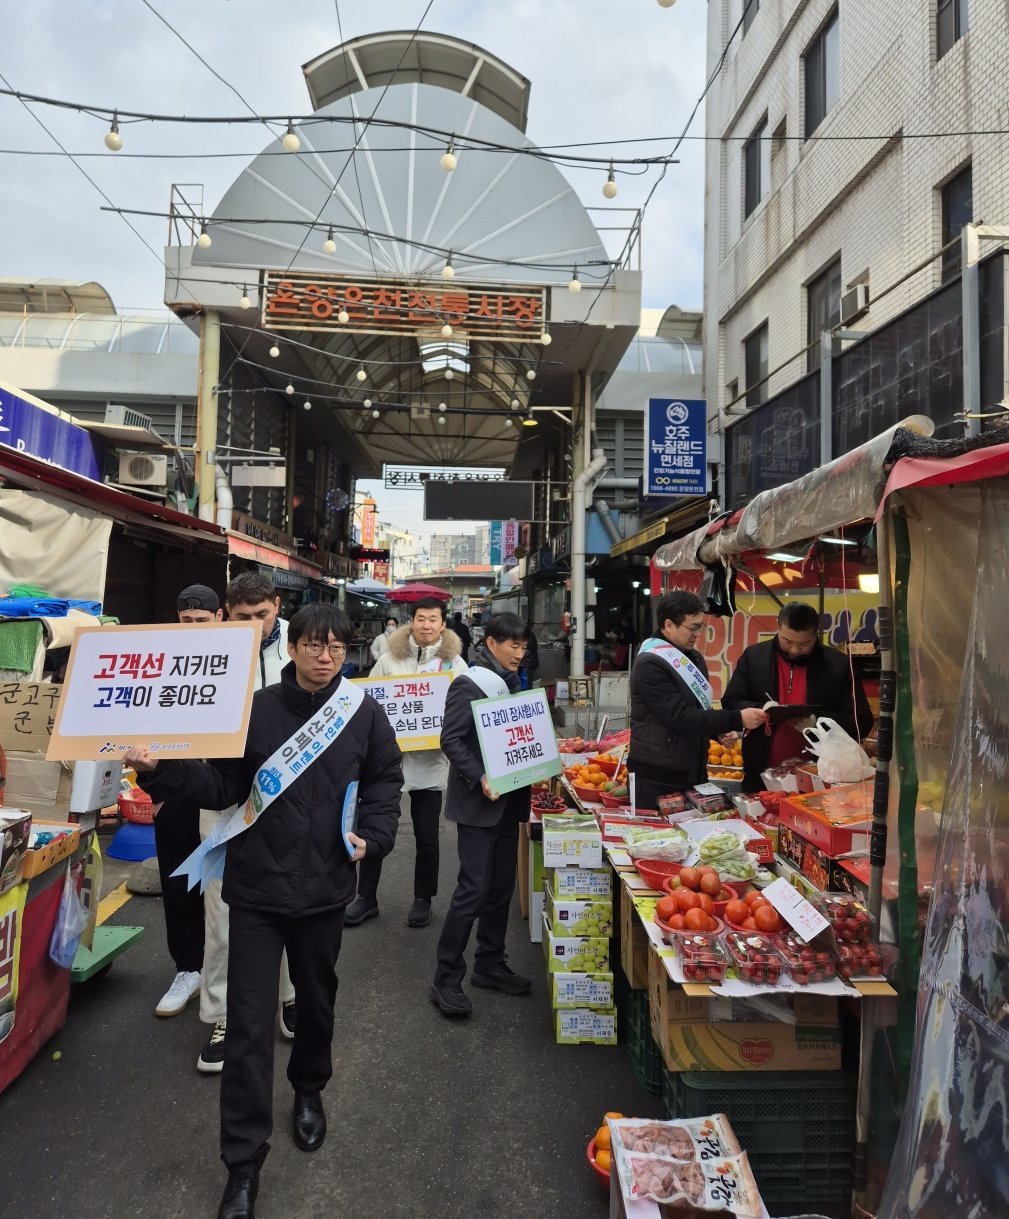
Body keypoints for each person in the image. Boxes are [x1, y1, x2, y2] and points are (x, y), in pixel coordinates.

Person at [126, 604, 402, 1219]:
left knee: (317, 1003)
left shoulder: (362, 712)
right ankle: (243, 1164)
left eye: (336, 646)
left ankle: (309, 1088)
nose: (325, 655)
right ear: (292, 647)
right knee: (249, 1026)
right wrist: (159, 772)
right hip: (255, 891)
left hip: (326, 889)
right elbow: (220, 786)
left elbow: (386, 779)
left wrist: (376, 835)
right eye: (314, 644)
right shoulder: (254, 710)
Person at [195, 572, 297, 1074]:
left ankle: (290, 996)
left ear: (277, 606)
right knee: (221, 913)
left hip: (290, 801)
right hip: (223, 799)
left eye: (263, 614)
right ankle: (222, 1014)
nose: (255, 624)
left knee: (292, 903)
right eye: (243, 616)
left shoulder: (303, 647)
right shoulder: (205, 654)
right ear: (226, 614)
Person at [430, 612, 533, 1018]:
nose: (519, 653)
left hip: (510, 803)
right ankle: (446, 976)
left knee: (501, 889)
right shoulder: (469, 683)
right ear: (491, 642)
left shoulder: (515, 683)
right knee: (471, 890)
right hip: (479, 803)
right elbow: (451, 739)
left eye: (524, 647)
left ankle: (489, 963)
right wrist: (480, 776)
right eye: (513, 645)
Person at [347, 598, 467, 929]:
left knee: (427, 836)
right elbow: (368, 702)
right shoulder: (388, 659)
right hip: (386, 762)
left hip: (430, 762)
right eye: (420, 618)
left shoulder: (454, 665)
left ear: (443, 624)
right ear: (411, 621)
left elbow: (464, 709)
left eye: (433, 619)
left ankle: (423, 898)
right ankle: (366, 897)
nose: (426, 625)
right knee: (374, 829)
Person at [150, 583, 221, 1019]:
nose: (194, 626)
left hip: (224, 788)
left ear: (219, 618)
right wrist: (155, 789)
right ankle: (188, 968)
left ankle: (226, 965)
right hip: (175, 787)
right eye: (186, 620)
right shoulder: (160, 660)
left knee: (222, 884)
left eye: (202, 620)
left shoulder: (238, 659)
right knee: (179, 880)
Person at [627, 591, 767, 811]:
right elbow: (679, 716)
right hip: (657, 776)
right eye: (692, 628)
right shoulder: (650, 663)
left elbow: (697, 709)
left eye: (700, 627)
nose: (697, 634)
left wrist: (716, 732)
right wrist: (737, 718)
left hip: (692, 770)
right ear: (669, 625)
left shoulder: (693, 657)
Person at [722, 601, 875, 793]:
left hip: (822, 778)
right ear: (778, 627)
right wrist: (760, 709)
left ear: (816, 634)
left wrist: (818, 722)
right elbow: (731, 702)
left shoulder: (838, 665)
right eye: (787, 641)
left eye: (804, 643)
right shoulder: (754, 658)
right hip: (759, 775)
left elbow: (861, 720)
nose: (795, 649)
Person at [519, 621, 539, 689]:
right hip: (528, 663)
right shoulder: (528, 636)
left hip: (530, 663)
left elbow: (528, 651)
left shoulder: (529, 637)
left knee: (527, 682)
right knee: (525, 681)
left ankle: (528, 694)